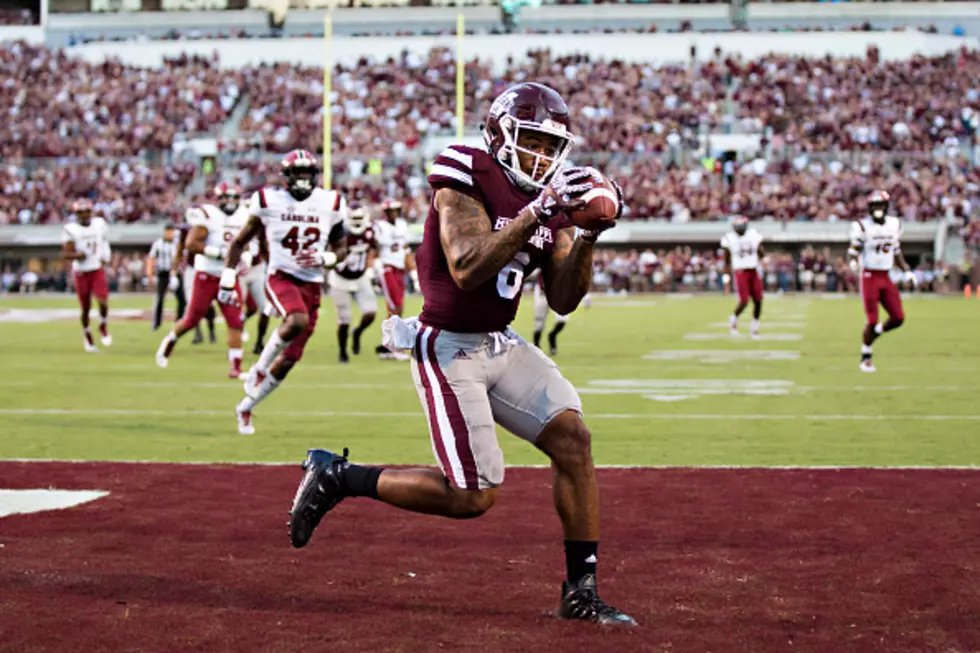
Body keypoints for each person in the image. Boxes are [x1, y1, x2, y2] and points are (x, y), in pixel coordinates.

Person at [287, 83, 635, 626]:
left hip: (501, 341)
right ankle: (340, 477)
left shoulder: (552, 196)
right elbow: (468, 267)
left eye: (551, 147)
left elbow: (564, 298)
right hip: (448, 345)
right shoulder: (465, 170)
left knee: (574, 437)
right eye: (533, 142)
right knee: (472, 494)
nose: (542, 157)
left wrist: (587, 235)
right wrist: (539, 211)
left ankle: (580, 590)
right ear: (499, 134)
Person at [222, 149, 348, 435]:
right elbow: (239, 241)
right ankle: (258, 369)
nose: (303, 178)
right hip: (281, 276)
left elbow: (342, 247)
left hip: (312, 284)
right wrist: (228, 278)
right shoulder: (268, 200)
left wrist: (325, 259)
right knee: (296, 320)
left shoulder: (331, 201)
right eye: (298, 172)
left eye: (307, 172)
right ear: (287, 176)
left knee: (290, 360)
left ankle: (246, 406)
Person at [155, 182, 250, 378]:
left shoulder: (244, 216)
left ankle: (235, 367)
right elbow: (191, 243)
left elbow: (246, 243)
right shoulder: (208, 215)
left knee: (235, 321)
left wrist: (245, 257)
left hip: (228, 276)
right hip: (206, 275)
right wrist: (218, 253)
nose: (230, 202)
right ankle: (169, 341)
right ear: (218, 199)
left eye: (233, 197)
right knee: (191, 319)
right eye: (226, 197)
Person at [848, 190, 916, 373]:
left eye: (880, 205)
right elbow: (853, 250)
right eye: (874, 206)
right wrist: (853, 262)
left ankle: (876, 332)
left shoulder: (894, 225)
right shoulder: (862, 226)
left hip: (886, 275)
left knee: (898, 317)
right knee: (872, 318)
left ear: (886, 207)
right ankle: (866, 357)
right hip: (870, 275)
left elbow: (896, 250)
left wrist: (907, 271)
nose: (878, 209)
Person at [328, 204, 378, 364]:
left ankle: (357, 333)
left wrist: (370, 265)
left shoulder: (369, 232)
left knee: (370, 313)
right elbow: (330, 250)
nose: (356, 222)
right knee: (344, 320)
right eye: (354, 219)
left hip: (361, 277)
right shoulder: (341, 233)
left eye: (358, 219)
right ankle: (342, 351)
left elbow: (373, 249)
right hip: (340, 280)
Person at [61, 198, 112, 352]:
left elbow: (104, 241)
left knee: (103, 300)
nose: (84, 216)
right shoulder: (71, 229)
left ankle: (103, 325)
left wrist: (106, 256)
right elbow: (66, 253)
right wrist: (78, 255)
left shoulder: (99, 224)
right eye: (81, 213)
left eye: (86, 212)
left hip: (96, 268)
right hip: (81, 272)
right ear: (76, 214)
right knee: (86, 308)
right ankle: (87, 334)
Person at [374, 200, 419, 361]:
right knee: (396, 307)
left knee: (398, 308)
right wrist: (375, 266)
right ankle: (395, 346)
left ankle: (388, 345)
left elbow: (406, 249)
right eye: (390, 211)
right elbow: (374, 247)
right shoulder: (380, 226)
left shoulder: (402, 224)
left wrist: (413, 272)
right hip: (387, 268)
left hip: (399, 269)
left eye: (396, 210)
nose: (393, 213)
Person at [721, 215, 765, 339]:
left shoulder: (753, 234)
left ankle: (755, 327)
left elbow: (760, 251)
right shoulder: (729, 238)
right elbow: (726, 261)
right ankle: (734, 319)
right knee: (744, 300)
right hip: (740, 271)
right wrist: (726, 278)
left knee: (758, 299)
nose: (740, 229)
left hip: (753, 269)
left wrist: (762, 257)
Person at [172, 221, 215, 345]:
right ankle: (198, 333)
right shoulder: (185, 230)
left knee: (209, 304)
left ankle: (211, 331)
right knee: (192, 302)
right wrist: (174, 271)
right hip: (191, 269)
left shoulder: (210, 226)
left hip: (207, 267)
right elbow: (180, 249)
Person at [147, 223, 187, 331]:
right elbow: (151, 258)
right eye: (167, 231)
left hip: (175, 273)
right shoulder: (158, 244)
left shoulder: (177, 243)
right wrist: (149, 273)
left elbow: (181, 258)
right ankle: (156, 323)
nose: (169, 233)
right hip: (163, 273)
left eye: (171, 231)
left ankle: (179, 321)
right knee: (160, 298)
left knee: (181, 299)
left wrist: (176, 272)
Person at [532, 272, 569, 355]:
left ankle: (552, 335)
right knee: (539, 323)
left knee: (562, 319)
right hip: (542, 292)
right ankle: (536, 345)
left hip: (557, 292)